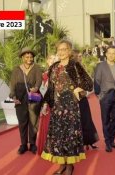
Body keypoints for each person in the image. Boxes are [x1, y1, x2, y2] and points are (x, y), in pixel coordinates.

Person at [41, 40, 93, 175]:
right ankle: (61, 165)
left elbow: (89, 83)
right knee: (58, 138)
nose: (61, 52)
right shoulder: (54, 67)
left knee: (70, 137)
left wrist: (78, 88)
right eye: (59, 49)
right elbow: (51, 88)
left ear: (69, 51)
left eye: (64, 49)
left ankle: (70, 166)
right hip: (57, 108)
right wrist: (46, 103)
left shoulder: (75, 65)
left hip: (71, 108)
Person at [9, 47, 42, 155]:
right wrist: (13, 96)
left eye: (31, 56)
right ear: (22, 57)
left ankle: (32, 144)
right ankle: (23, 144)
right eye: (27, 57)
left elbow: (39, 81)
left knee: (33, 123)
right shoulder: (16, 69)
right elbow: (12, 84)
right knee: (22, 123)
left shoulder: (36, 68)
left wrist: (36, 88)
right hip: (20, 100)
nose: (29, 58)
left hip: (34, 99)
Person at [94, 46, 115, 153]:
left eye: (113, 53)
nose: (111, 55)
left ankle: (111, 140)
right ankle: (107, 142)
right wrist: (99, 95)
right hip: (105, 96)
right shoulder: (100, 66)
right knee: (106, 119)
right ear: (106, 54)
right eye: (109, 53)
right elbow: (97, 80)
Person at [73, 50, 99, 150]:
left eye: (80, 56)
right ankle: (79, 143)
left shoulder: (82, 68)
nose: (80, 58)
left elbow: (88, 83)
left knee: (86, 120)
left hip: (82, 98)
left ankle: (90, 141)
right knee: (76, 121)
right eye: (78, 56)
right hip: (73, 99)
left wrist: (84, 89)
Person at [36, 54, 55, 155]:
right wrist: (43, 104)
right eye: (51, 59)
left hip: (58, 104)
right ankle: (46, 149)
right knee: (47, 125)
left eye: (55, 59)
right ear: (48, 61)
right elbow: (41, 91)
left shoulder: (60, 74)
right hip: (47, 105)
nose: (53, 61)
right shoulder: (44, 75)